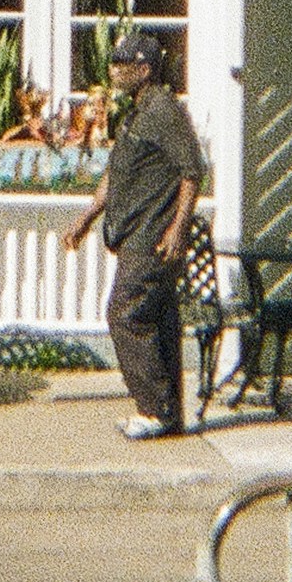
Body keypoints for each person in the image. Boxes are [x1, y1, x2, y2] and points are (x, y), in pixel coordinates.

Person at [63, 26, 207, 438]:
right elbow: (118, 169)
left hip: (153, 236)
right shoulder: (137, 112)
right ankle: (168, 414)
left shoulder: (165, 111)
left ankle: (153, 410)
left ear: (144, 69)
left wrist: (178, 229)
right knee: (158, 321)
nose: (113, 70)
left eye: (121, 64)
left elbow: (192, 171)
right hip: (134, 233)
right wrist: (89, 214)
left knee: (124, 313)